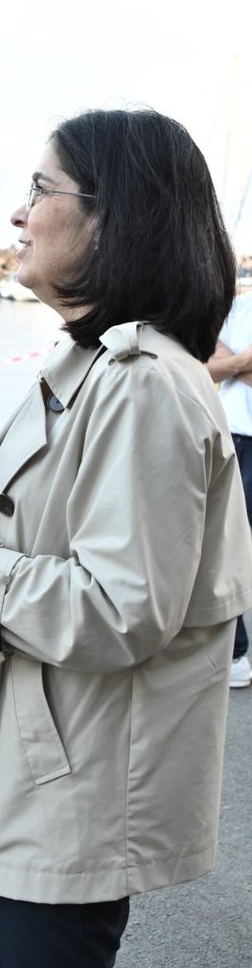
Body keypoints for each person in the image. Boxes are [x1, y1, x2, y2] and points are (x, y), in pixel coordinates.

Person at [0, 108, 252, 968]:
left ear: (111, 218)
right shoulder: (94, 365)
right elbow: (76, 521)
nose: (20, 213)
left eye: (42, 191)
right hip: (53, 778)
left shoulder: (143, 383)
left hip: (74, 787)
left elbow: (123, 606)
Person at [208, 293, 252, 688]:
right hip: (236, 439)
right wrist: (241, 362)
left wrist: (232, 362)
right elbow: (207, 369)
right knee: (227, 545)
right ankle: (236, 654)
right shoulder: (237, 308)